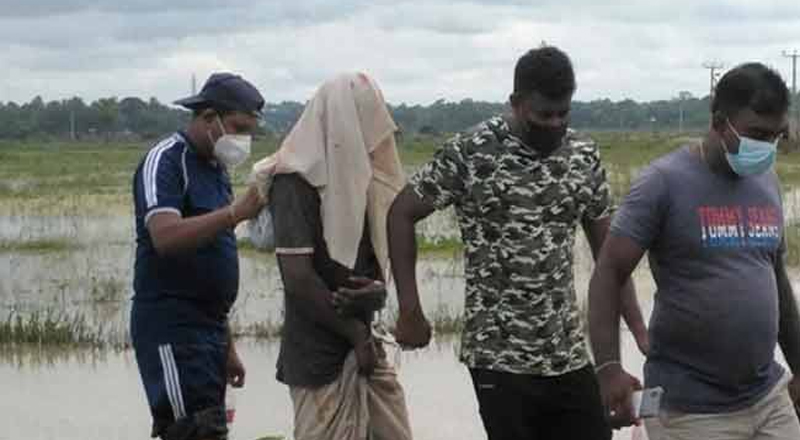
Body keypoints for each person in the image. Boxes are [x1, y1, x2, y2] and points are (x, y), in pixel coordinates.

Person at [387, 45, 647, 440]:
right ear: (517, 102)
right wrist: (410, 307)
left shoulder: (583, 155)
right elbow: (401, 213)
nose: (555, 124)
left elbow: (611, 259)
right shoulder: (471, 152)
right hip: (498, 355)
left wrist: (639, 333)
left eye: (564, 113)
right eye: (544, 114)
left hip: (566, 353)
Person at [588, 62, 800, 439]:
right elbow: (609, 272)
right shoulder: (662, 184)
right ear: (720, 123)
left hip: (766, 397)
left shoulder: (766, 181)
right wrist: (608, 368)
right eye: (756, 134)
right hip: (690, 411)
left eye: (775, 136)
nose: (766, 147)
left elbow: (778, 281)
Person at [250, 72, 413, 440]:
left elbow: (368, 269)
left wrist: (377, 294)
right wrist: (355, 333)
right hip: (318, 356)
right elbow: (298, 278)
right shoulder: (294, 180)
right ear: (345, 125)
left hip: (365, 347)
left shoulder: (364, 184)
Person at [131, 72, 266, 440]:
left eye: (250, 132)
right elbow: (165, 236)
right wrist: (236, 213)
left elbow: (210, 262)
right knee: (192, 431)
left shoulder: (217, 170)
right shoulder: (166, 161)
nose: (243, 140)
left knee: (208, 430)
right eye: (238, 127)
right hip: (172, 330)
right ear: (208, 117)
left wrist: (228, 346)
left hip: (209, 333)